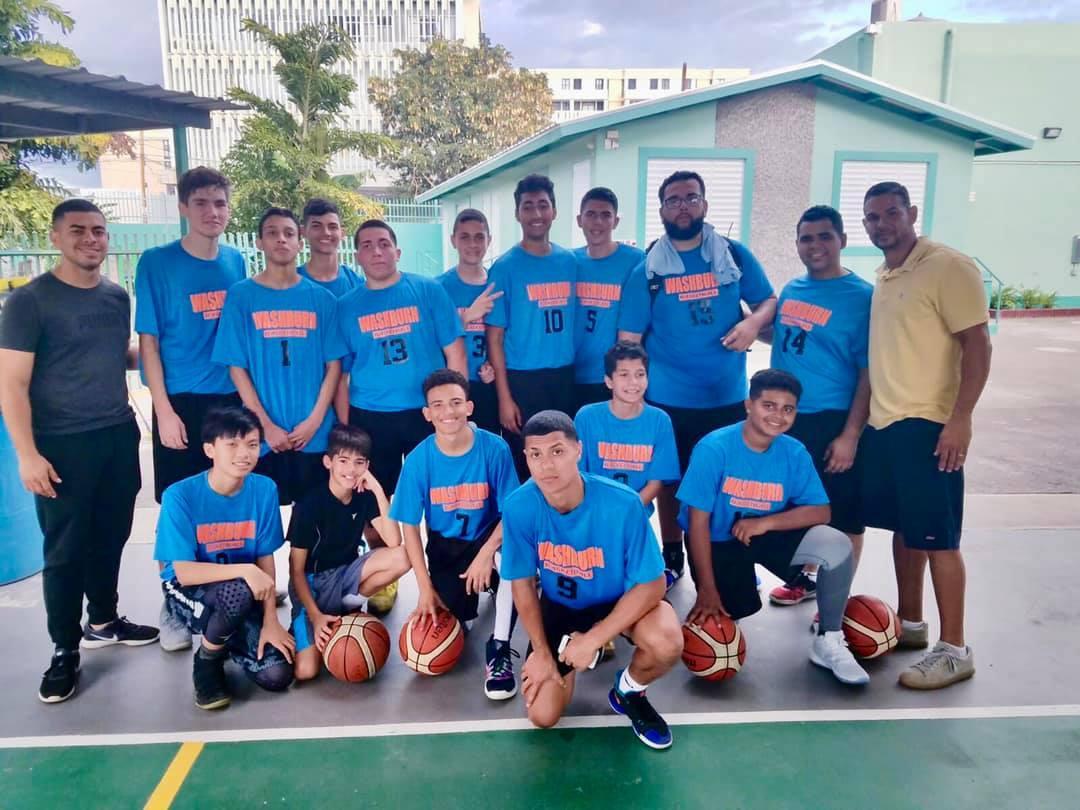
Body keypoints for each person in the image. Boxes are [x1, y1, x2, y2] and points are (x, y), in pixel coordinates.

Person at [0, 199, 158, 704]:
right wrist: (27, 454)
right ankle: (64, 647)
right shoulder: (29, 302)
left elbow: (117, 356)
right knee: (65, 550)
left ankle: (104, 620)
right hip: (61, 444)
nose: (90, 239)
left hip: (117, 433)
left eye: (98, 231)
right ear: (55, 237)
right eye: (78, 231)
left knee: (111, 535)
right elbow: (11, 383)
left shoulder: (115, 297)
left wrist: (167, 355)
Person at [860, 181, 991, 690]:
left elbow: (977, 345)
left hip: (930, 425)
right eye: (873, 217)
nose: (882, 224)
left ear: (912, 213)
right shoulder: (887, 274)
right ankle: (911, 623)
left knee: (940, 539)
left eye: (892, 213)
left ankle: (955, 650)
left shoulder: (949, 266)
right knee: (906, 530)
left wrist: (961, 419)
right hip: (886, 424)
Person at [618, 170, 776, 587]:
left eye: (691, 197)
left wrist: (752, 325)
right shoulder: (648, 269)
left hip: (726, 395)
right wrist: (634, 394)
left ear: (704, 204)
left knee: (727, 483)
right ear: (662, 210)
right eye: (673, 200)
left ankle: (732, 561)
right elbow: (629, 339)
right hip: (668, 397)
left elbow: (768, 301)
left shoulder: (733, 255)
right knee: (671, 482)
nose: (683, 206)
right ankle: (673, 557)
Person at [500, 411, 683, 750]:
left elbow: (653, 584)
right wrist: (541, 652)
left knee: (666, 641)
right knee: (543, 716)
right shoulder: (519, 507)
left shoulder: (622, 503)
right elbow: (522, 584)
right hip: (561, 605)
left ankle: (629, 690)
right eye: (536, 454)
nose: (546, 465)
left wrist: (595, 638)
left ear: (578, 450)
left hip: (617, 600)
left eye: (557, 451)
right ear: (526, 457)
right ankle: (568, 658)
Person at [678, 369, 868, 686]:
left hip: (765, 534)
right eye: (769, 405)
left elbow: (821, 511)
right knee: (724, 619)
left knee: (835, 544)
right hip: (719, 542)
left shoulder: (794, 452)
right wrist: (706, 589)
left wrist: (765, 523)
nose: (778, 416)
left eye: (787, 409)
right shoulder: (714, 448)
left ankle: (829, 639)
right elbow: (697, 524)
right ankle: (725, 597)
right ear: (748, 405)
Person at [134, 167, 246, 651]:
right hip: (181, 400)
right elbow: (149, 343)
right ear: (183, 207)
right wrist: (162, 409)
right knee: (179, 505)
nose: (211, 212)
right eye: (201, 203)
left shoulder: (236, 261)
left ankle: (234, 587)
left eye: (219, 203)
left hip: (230, 399)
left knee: (227, 497)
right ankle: (175, 600)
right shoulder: (157, 263)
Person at [390, 370, 521, 700]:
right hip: (446, 548)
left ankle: (499, 648)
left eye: (455, 402)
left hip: (489, 538)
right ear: (427, 413)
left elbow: (513, 514)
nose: (448, 411)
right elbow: (410, 528)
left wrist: (486, 554)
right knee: (453, 628)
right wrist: (424, 589)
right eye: (438, 405)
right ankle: (475, 596)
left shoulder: (495, 448)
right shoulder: (418, 460)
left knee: (514, 560)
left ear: (469, 407)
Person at [765, 206, 872, 607]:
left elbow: (868, 372)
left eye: (825, 236)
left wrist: (850, 435)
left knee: (843, 514)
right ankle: (805, 578)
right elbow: (787, 338)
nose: (815, 246)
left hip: (833, 419)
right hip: (786, 420)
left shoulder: (862, 297)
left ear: (842, 240)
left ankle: (835, 599)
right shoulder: (793, 289)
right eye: (806, 238)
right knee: (802, 505)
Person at [155, 405, 295, 710]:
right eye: (232, 444)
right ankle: (207, 660)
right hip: (188, 587)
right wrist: (246, 570)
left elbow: (265, 558)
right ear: (210, 449)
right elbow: (185, 572)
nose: (244, 453)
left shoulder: (264, 489)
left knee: (277, 675)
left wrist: (271, 621)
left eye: (252, 444)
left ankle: (226, 633)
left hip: (239, 588)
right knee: (237, 591)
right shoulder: (179, 496)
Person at [212, 207, 346, 505]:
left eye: (289, 233)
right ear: (259, 242)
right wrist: (265, 425)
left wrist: (315, 421)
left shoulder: (322, 299)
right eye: (272, 233)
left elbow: (334, 366)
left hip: (313, 433)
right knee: (261, 517)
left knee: (314, 520)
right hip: (262, 436)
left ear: (300, 242)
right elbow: (236, 367)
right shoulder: (241, 296)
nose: (281, 239)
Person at [335, 219, 467, 497]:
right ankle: (383, 530)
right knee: (375, 496)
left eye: (384, 244)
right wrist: (347, 429)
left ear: (397, 252)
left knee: (438, 491)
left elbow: (455, 352)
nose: (377, 252)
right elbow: (340, 375)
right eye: (367, 246)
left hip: (426, 411)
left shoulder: (428, 290)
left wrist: (455, 408)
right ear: (357, 256)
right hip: (371, 415)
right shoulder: (345, 307)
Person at [287, 424, 410, 681]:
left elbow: (394, 540)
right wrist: (315, 616)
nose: (351, 469)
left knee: (403, 556)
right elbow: (296, 571)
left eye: (359, 462)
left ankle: (347, 609)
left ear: (367, 466)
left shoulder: (364, 496)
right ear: (328, 462)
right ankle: (303, 622)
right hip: (313, 584)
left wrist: (377, 488)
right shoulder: (309, 506)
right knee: (306, 671)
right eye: (343, 461)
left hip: (345, 574)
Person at [486, 174, 578, 480]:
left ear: (554, 211)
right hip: (522, 380)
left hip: (564, 376)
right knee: (526, 464)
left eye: (543, 205)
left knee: (563, 464)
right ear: (517, 213)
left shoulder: (569, 262)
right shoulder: (505, 267)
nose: (536, 213)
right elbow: (495, 337)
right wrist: (505, 398)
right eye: (528, 206)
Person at [574, 341, 679, 518]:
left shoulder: (659, 420)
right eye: (624, 375)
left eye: (640, 374)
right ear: (609, 381)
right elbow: (577, 476)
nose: (633, 382)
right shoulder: (586, 417)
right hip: (593, 515)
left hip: (636, 514)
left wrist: (625, 513)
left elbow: (656, 483)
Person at [572, 187, 646, 411]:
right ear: (579, 220)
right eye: (591, 214)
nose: (598, 222)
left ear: (616, 221)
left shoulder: (636, 260)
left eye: (605, 215)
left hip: (612, 376)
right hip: (571, 374)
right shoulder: (569, 261)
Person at [437, 209, 503, 433]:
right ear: (453, 240)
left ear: (489, 240)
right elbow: (432, 343)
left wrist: (493, 367)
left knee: (488, 444)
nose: (472, 244)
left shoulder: (498, 283)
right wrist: (466, 317)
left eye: (479, 237)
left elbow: (506, 338)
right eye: (465, 237)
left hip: (489, 385)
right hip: (452, 385)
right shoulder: (440, 287)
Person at [298, 198, 362, 298]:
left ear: (342, 233)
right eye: (316, 226)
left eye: (332, 227)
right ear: (303, 231)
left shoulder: (357, 285)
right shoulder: (289, 283)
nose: (326, 232)